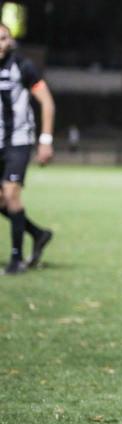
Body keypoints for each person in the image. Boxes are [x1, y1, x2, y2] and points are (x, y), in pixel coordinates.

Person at [0, 23, 55, 275]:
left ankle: (16, 260)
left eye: (3, 39)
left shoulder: (22, 66)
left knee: (11, 196)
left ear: (10, 41)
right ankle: (38, 233)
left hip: (18, 141)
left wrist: (45, 139)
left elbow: (47, 102)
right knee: (3, 202)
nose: (0, 44)